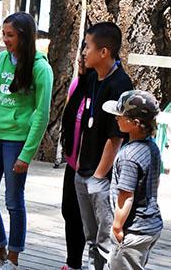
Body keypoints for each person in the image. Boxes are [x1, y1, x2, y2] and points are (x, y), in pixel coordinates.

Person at [0, 12, 53, 270]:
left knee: (13, 200)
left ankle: (13, 258)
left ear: (24, 36)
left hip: (17, 142)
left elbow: (42, 114)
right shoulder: (0, 60)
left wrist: (26, 154)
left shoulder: (40, 68)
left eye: (10, 35)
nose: (4, 39)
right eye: (3, 34)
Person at [74, 22, 133, 270]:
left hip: (104, 177)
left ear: (104, 52)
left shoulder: (120, 85)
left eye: (87, 47)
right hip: (83, 169)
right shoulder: (91, 78)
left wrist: (98, 176)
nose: (83, 52)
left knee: (105, 239)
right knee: (90, 236)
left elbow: (116, 138)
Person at [103, 90, 163, 270]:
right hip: (151, 225)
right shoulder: (152, 147)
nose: (116, 119)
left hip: (133, 230)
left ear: (135, 123)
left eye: (120, 116)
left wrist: (117, 226)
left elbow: (126, 195)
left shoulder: (129, 156)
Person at [59, 45, 91, 270]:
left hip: (91, 167)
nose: (81, 58)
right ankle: (72, 263)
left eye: (85, 53)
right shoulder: (77, 84)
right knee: (69, 211)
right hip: (72, 161)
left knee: (86, 218)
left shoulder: (102, 87)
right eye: (80, 53)